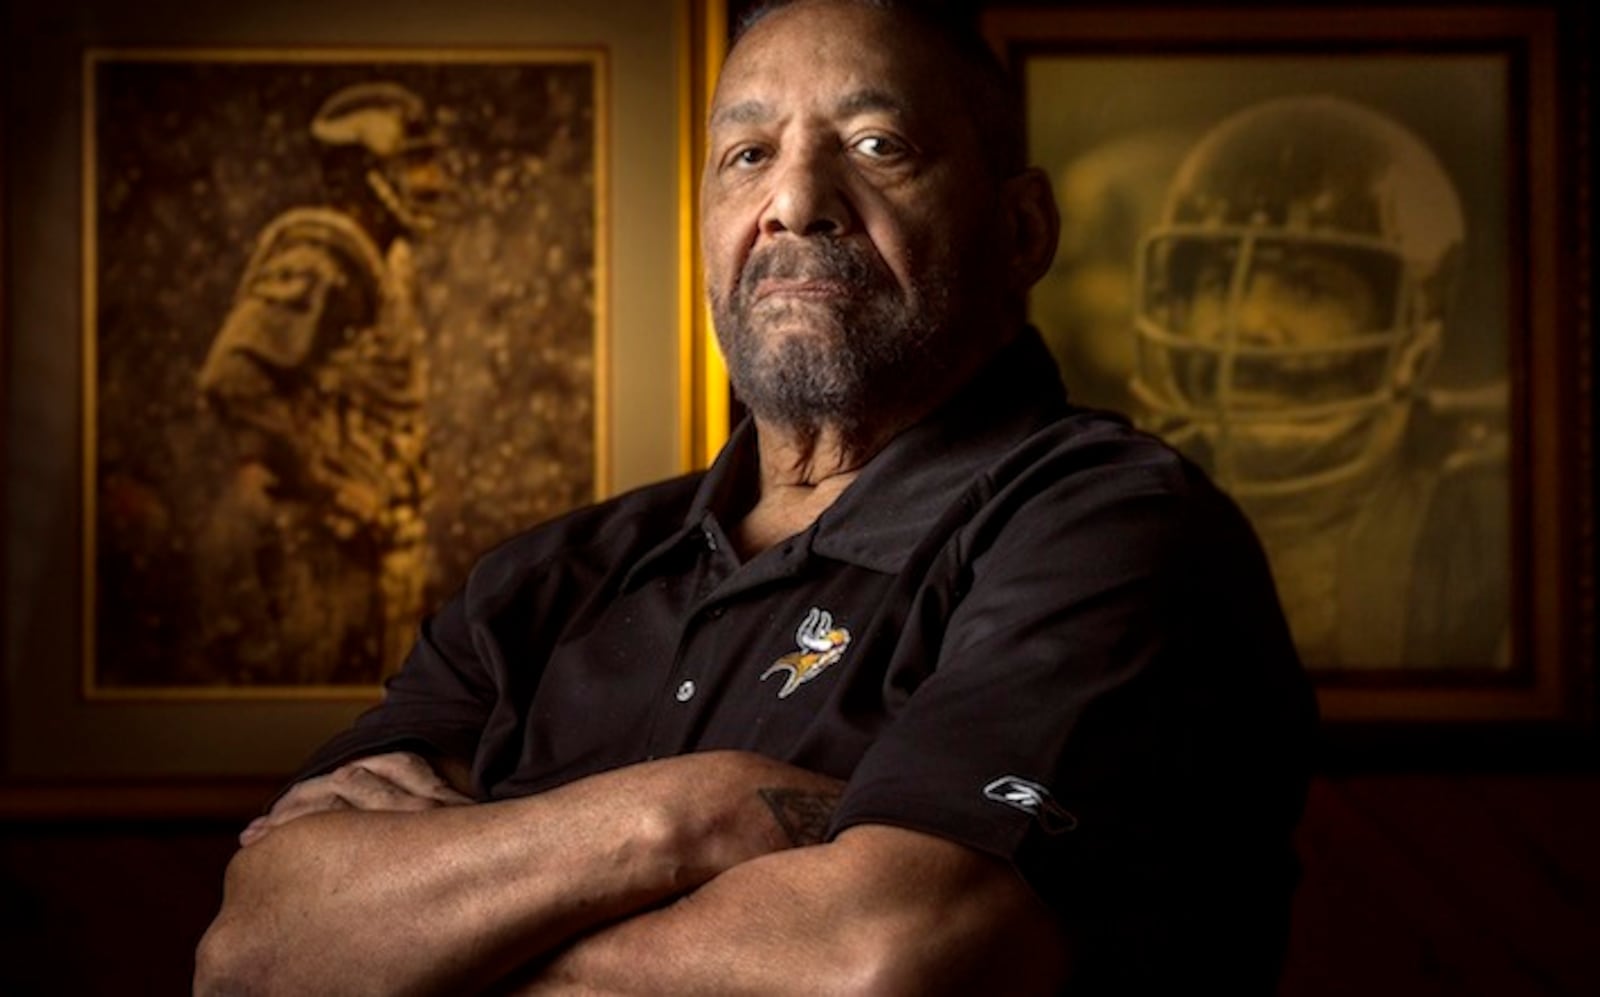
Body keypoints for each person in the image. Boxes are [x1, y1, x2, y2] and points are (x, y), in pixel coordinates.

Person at [195, 2, 1315, 993]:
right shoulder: (543, 581)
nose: (794, 199)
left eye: (878, 146)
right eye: (744, 154)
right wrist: (701, 812)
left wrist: (444, 939)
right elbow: (255, 951)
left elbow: (883, 961)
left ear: (1020, 230)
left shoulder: (1111, 531)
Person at [1128, 95, 1510, 671]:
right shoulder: (1121, 510)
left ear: (1414, 339)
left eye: (1307, 288)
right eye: (1216, 279)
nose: (1249, 324)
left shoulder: (1485, 529)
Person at [195, 81, 452, 684]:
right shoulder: (320, 260)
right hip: (324, 547)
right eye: (412, 163)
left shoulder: (389, 260)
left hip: (376, 544)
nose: (434, 182)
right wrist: (325, 489)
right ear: (361, 175)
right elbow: (233, 377)